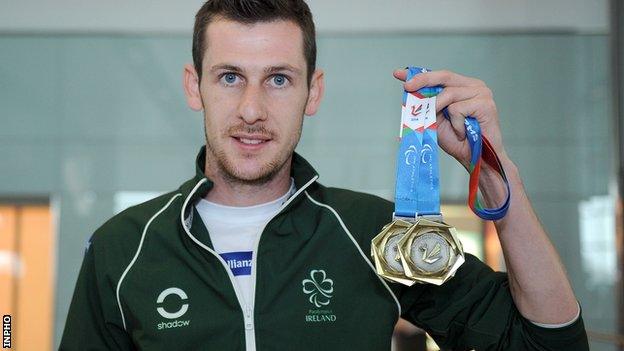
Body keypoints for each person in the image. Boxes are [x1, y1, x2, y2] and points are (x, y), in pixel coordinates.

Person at [60, 0, 590, 350]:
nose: (251, 109)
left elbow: (549, 342)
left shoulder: (376, 234)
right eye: (229, 77)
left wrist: (496, 172)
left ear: (312, 92)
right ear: (193, 86)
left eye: (278, 79)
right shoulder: (122, 249)